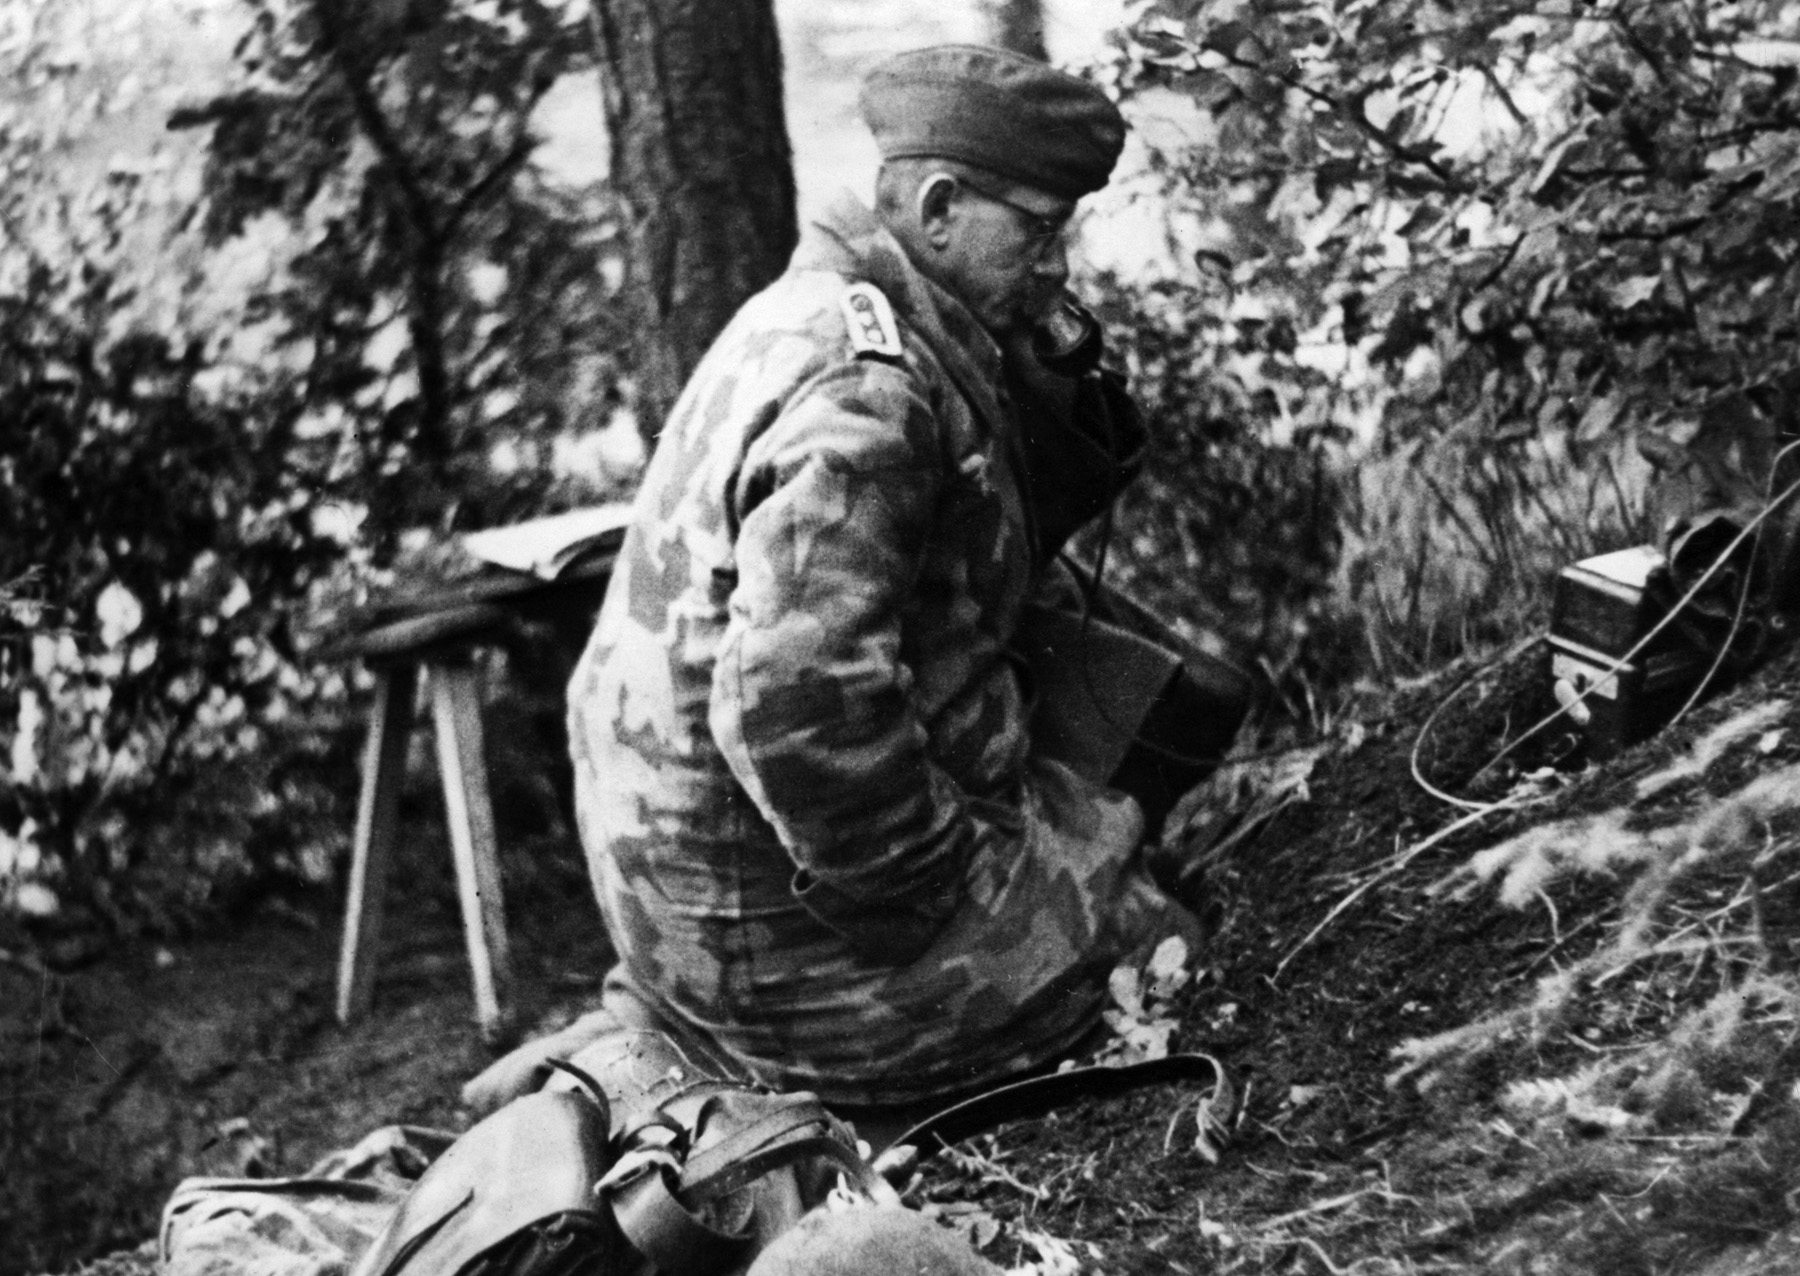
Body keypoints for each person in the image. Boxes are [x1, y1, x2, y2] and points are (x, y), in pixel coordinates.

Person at [465, 44, 1245, 1123]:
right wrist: (938, 892)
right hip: (775, 907)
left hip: (688, 888)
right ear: (937, 208)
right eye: (1038, 229)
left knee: (1105, 803)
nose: (1060, 267)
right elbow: (791, 699)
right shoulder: (871, 391)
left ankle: (669, 1029)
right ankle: (767, 1049)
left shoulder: (812, 308)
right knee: (1161, 937)